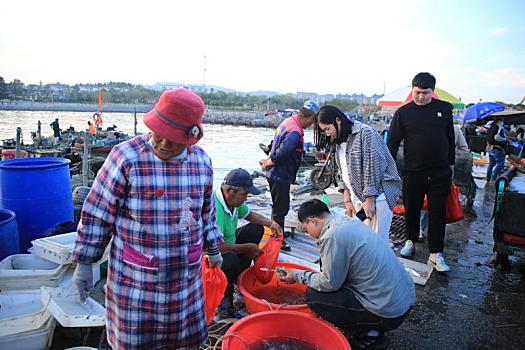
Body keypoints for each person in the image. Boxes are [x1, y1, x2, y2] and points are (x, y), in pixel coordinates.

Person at [72, 88, 224, 349]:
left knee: (183, 342)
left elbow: (207, 212)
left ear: (192, 138)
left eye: (173, 139)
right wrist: (85, 262)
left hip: (184, 279)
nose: (163, 143)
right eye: (159, 134)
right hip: (136, 280)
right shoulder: (126, 157)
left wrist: (214, 246)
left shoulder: (201, 162)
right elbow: (98, 213)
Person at [279, 199, 415, 349]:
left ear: (313, 221)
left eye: (306, 229)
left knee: (314, 296)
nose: (309, 234)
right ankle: (370, 326)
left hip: (388, 313)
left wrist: (297, 275)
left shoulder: (332, 235)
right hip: (404, 301)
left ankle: (369, 335)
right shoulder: (346, 222)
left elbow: (328, 283)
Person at [387, 72, 455, 272]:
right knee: (412, 209)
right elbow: (392, 143)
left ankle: (436, 253)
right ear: (412, 90)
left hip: (439, 171)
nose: (420, 97)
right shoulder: (403, 113)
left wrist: (451, 165)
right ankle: (410, 240)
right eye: (417, 92)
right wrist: (389, 169)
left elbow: (449, 137)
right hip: (413, 171)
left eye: (425, 93)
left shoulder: (444, 109)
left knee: (437, 212)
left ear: (432, 92)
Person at [315, 105, 401, 243]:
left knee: (376, 243)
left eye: (327, 129)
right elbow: (342, 170)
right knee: (361, 242)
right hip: (357, 197)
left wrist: (370, 199)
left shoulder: (364, 133)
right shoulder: (339, 141)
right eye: (324, 131)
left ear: (338, 120)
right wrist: (347, 198)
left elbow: (373, 166)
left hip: (378, 197)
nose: (327, 134)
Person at [214, 168, 283, 318]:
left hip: (229, 243)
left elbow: (250, 215)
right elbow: (215, 247)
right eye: (244, 194)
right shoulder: (215, 208)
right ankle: (225, 298)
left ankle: (238, 277)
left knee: (256, 229)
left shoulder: (233, 202)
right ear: (230, 191)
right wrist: (246, 248)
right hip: (211, 256)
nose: (246, 198)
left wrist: (271, 223)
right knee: (230, 259)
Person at [259, 100, 319, 251]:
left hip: (277, 173)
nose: (311, 125)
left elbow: (273, 144)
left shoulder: (288, 122)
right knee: (281, 208)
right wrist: (269, 162)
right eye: (312, 121)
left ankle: (277, 231)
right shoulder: (295, 132)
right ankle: (277, 239)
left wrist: (268, 159)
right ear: (310, 117)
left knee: (278, 206)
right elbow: (281, 153)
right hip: (280, 174)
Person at [486, 117, 508, 182]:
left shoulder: (490, 128)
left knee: (491, 164)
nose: (502, 123)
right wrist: (505, 139)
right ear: (499, 121)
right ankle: (493, 179)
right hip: (497, 148)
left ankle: (488, 179)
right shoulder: (498, 128)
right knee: (500, 164)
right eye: (502, 121)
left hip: (490, 148)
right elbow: (497, 137)